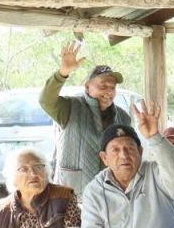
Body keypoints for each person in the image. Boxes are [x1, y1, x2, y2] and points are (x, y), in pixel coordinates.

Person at [39, 41, 132, 194]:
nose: (109, 91)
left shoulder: (123, 117)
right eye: (103, 86)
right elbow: (45, 100)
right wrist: (62, 73)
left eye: (112, 87)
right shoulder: (70, 107)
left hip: (111, 194)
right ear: (88, 86)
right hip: (72, 196)